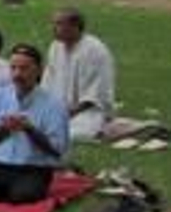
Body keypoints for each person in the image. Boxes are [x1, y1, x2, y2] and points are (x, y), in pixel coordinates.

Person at [0, 43, 71, 204]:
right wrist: (3, 130)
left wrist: (30, 130)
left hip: (32, 168)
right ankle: (0, 188)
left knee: (22, 198)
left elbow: (57, 150)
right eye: (13, 68)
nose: (17, 74)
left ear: (39, 70)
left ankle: (14, 189)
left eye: (24, 68)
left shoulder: (54, 105)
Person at [42, 8, 116, 141]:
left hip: (87, 112)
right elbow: (48, 82)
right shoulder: (55, 47)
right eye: (53, 24)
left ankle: (106, 128)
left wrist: (70, 112)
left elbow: (96, 93)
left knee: (71, 134)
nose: (53, 28)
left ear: (75, 27)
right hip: (60, 109)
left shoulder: (95, 50)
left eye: (59, 24)